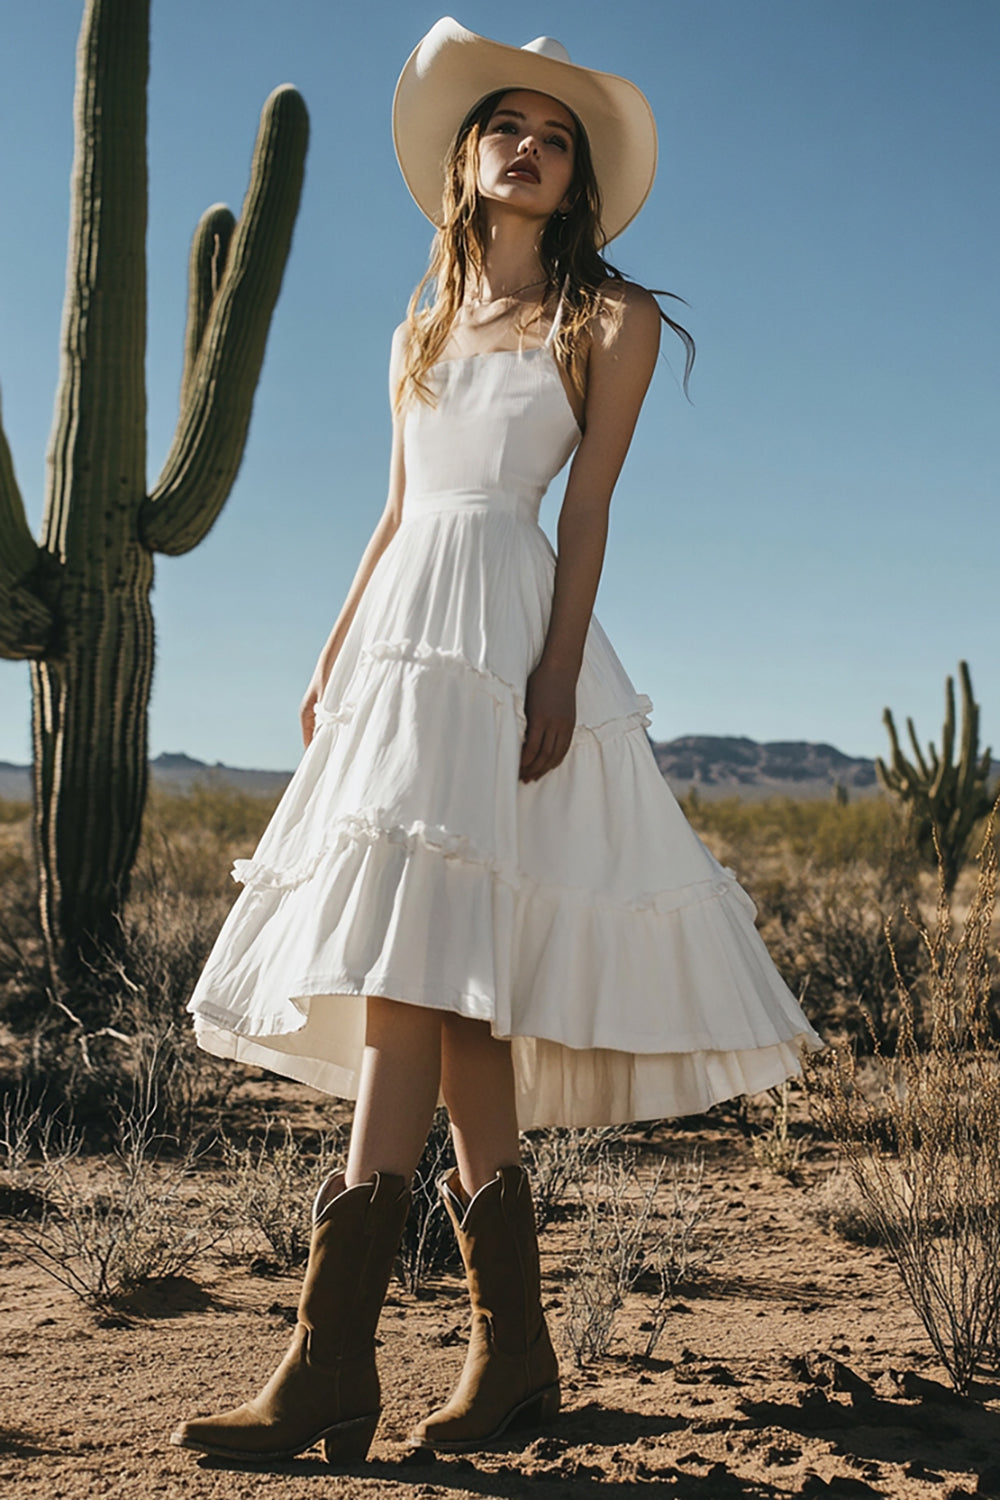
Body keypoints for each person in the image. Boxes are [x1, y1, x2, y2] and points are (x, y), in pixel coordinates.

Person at [171, 16, 822, 1468]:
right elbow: (397, 514)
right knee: (447, 986)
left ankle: (332, 1362)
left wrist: (548, 675)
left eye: (557, 136)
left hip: (515, 633)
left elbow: (584, 515)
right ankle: (510, 1353)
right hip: (405, 644)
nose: (528, 148)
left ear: (576, 176)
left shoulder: (613, 320)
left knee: (428, 967)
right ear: (466, 161)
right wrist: (332, 661)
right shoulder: (421, 322)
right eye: (505, 128)